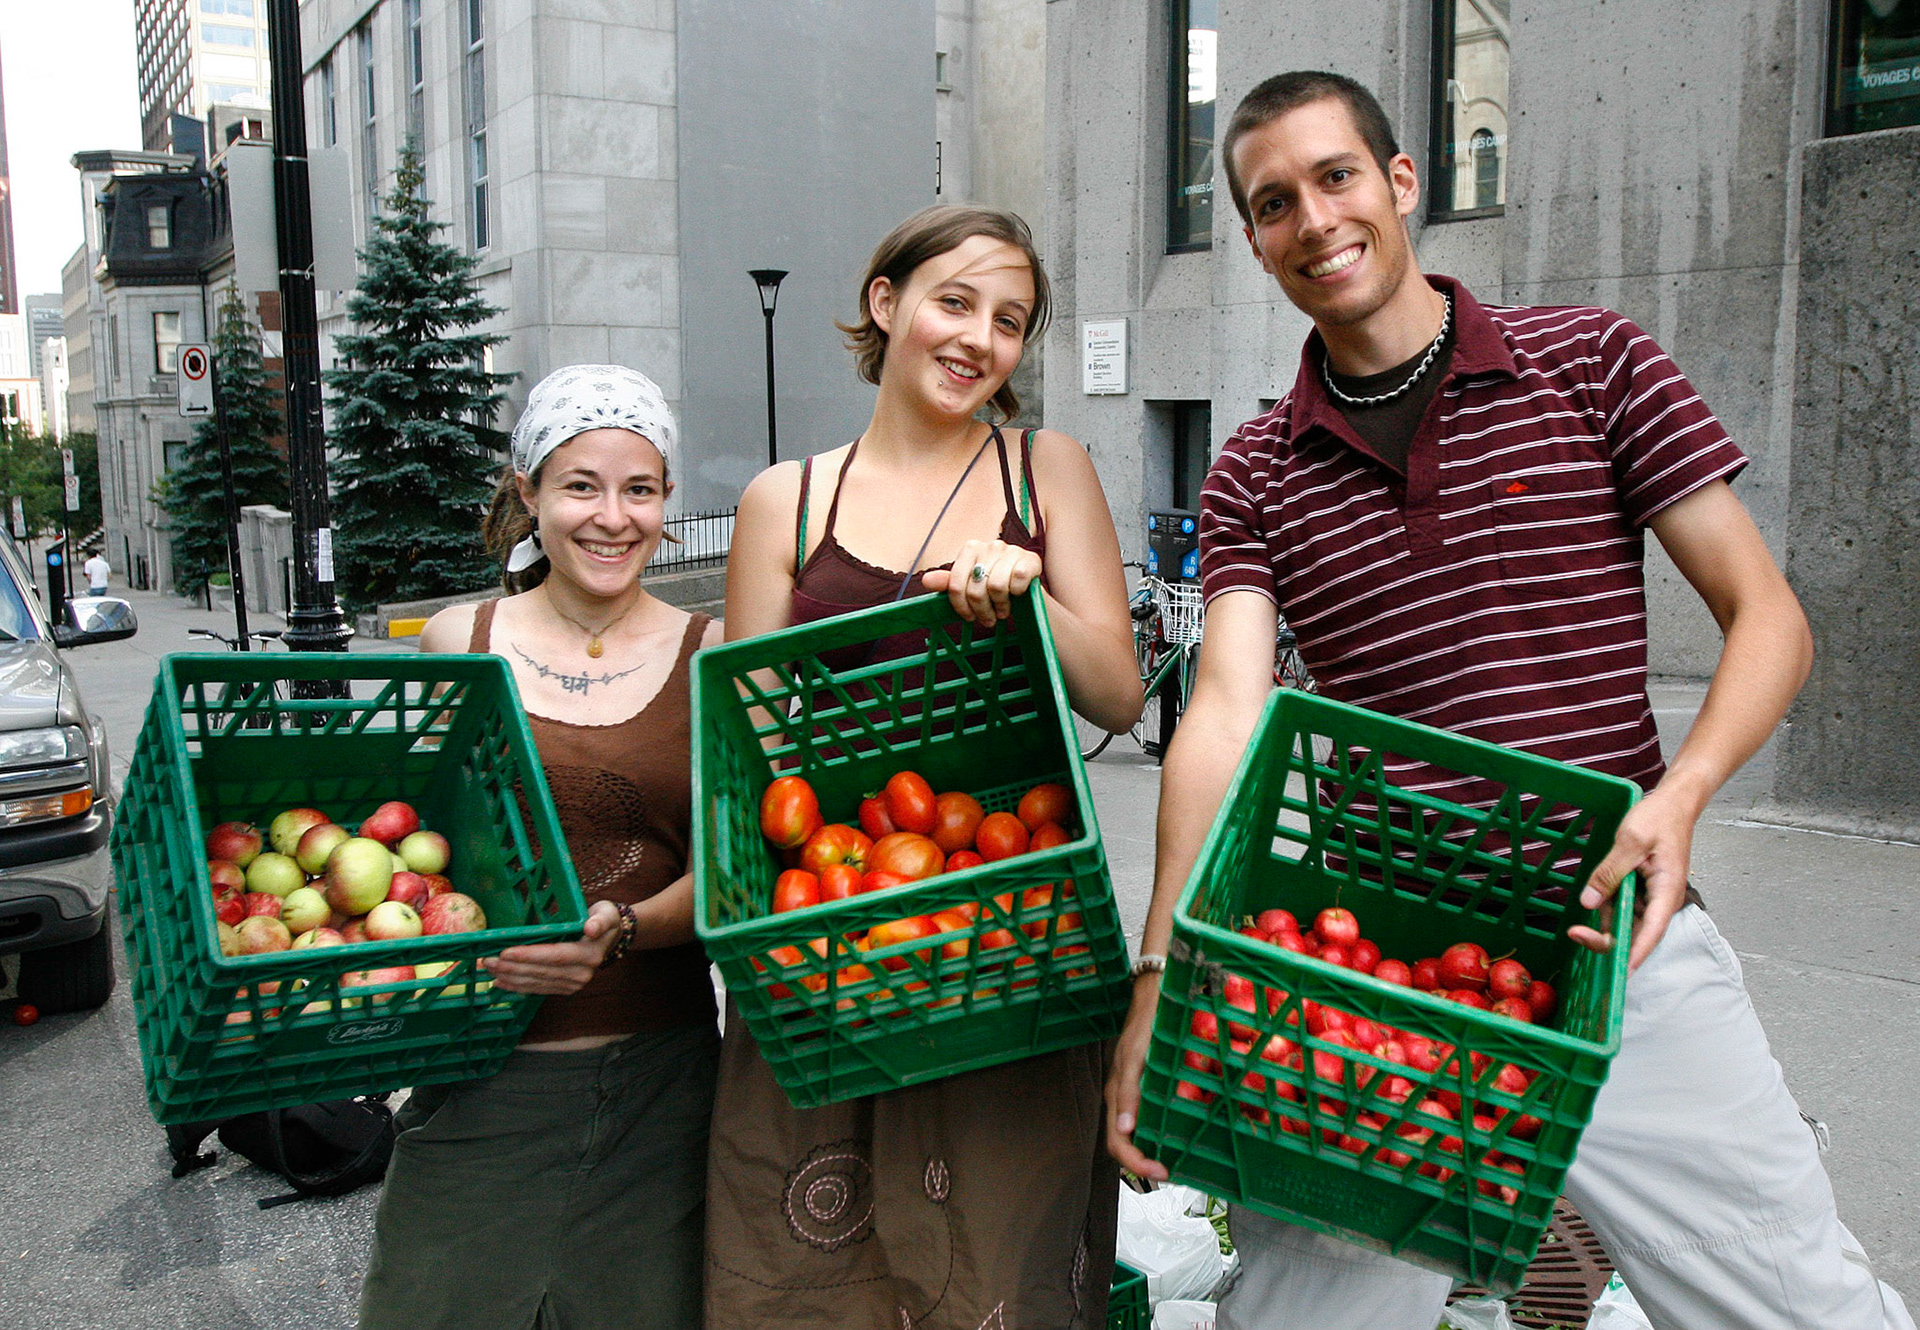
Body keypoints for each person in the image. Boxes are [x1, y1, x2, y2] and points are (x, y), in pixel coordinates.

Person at [1103, 71, 1915, 1330]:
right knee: (1305, 1320)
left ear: (1401, 184)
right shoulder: (1257, 468)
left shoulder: (1592, 362)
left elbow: (1771, 619)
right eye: (1274, 203)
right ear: (1255, 243)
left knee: (1796, 1303)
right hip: (1376, 970)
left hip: (1619, 943)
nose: (1314, 219)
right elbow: (1220, 713)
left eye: (1337, 177)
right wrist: (1166, 976)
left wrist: (1682, 794)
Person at [706, 205, 1144, 1330]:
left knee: (1000, 1267)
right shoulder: (785, 502)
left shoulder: (1045, 470)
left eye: (1010, 321)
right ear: (885, 301)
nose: (979, 339)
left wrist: (1035, 595)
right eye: (955, 302)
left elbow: (1118, 691)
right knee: (816, 1282)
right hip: (837, 939)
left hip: (1011, 938)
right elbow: (754, 753)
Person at [357, 365, 723, 1330]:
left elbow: (736, 872)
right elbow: (415, 863)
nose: (613, 517)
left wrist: (629, 928)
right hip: (483, 1081)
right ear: (528, 494)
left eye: (639, 489)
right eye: (581, 486)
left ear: (666, 502)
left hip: (662, 1087)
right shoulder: (458, 643)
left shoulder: (711, 653)